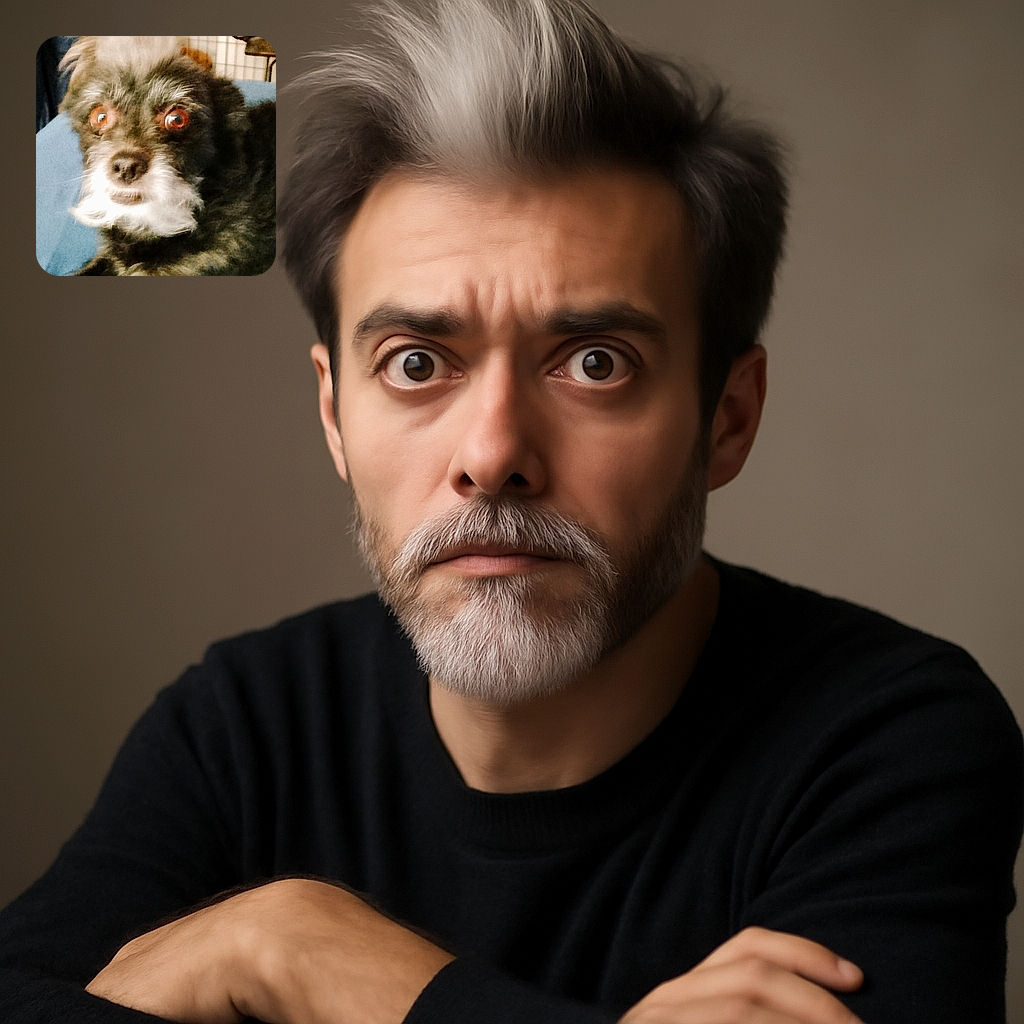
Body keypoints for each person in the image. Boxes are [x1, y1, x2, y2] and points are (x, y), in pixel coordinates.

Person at [2, 0, 1021, 1021]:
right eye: (415, 364)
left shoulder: (889, 739)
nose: (493, 457)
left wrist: (295, 946)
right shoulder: (246, 727)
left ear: (727, 418)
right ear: (334, 414)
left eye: (593, 363)